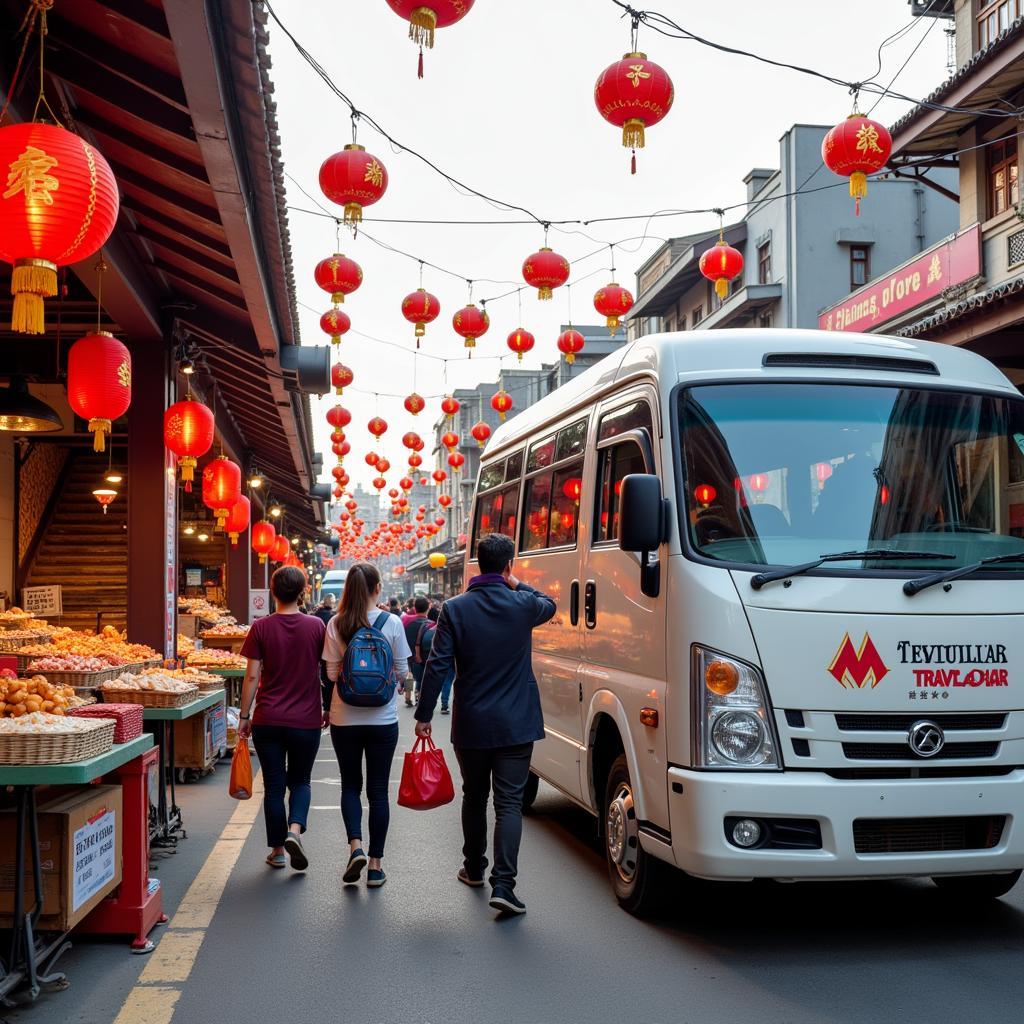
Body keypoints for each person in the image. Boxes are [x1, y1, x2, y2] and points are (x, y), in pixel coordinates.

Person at [416, 534, 555, 916]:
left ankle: (474, 868)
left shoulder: (455, 609)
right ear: (508, 566)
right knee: (509, 803)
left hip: (473, 721)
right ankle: (504, 885)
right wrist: (517, 583)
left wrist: (424, 715)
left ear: (477, 564)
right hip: (516, 722)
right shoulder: (523, 604)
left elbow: (437, 665)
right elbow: (551, 603)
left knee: (475, 797)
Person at [324, 562, 412, 889]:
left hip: (344, 717)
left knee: (350, 785)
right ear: (378, 589)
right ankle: (375, 866)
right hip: (383, 719)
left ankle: (355, 847)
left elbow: (332, 675)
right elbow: (402, 671)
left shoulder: (336, 623)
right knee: (378, 791)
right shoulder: (392, 623)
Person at [238, 565, 327, 872]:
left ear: (272, 591)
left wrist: (244, 715)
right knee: (301, 780)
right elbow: (328, 672)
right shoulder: (316, 626)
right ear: (303, 591)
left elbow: (251, 676)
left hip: (268, 718)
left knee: (274, 785)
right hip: (306, 720)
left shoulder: (261, 628)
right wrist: (327, 707)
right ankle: (295, 831)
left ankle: (277, 851)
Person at [417, 605, 453, 714]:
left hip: (429, 660)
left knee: (430, 680)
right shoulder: (450, 628)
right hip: (450, 660)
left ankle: (425, 707)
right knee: (447, 682)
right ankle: (444, 705)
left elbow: (419, 643)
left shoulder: (426, 627)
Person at [402, 596, 430, 706]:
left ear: (415, 607)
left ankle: (408, 695)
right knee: (422, 677)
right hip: (425, 656)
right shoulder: (431, 624)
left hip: (409, 654)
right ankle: (419, 696)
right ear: (428, 608)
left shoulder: (407, 622)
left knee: (410, 675)